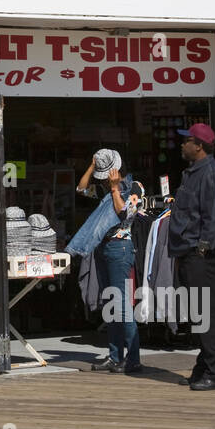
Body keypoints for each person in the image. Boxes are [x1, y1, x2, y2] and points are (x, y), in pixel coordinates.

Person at [66, 149, 145, 374]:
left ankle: (133, 358)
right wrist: (91, 167)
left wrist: (114, 188)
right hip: (105, 248)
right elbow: (80, 189)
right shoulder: (101, 189)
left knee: (121, 304)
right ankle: (115, 356)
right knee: (111, 303)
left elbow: (124, 212)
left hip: (120, 248)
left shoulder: (134, 187)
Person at [166, 123, 215, 392]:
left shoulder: (211, 175)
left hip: (200, 255)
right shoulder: (192, 173)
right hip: (188, 253)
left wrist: (202, 249)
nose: (182, 145)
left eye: (187, 141)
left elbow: (214, 218)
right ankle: (204, 367)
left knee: (208, 314)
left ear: (199, 146)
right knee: (199, 314)